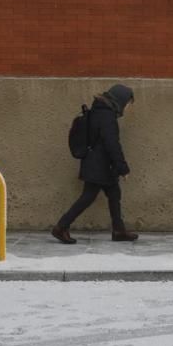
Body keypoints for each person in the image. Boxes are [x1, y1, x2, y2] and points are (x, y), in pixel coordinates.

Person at [52, 84, 139, 244]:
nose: (127, 108)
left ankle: (119, 230)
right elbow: (112, 143)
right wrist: (122, 167)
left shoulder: (98, 111)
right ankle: (61, 227)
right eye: (127, 104)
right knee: (88, 197)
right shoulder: (107, 116)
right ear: (120, 100)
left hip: (99, 164)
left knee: (114, 195)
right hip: (100, 166)